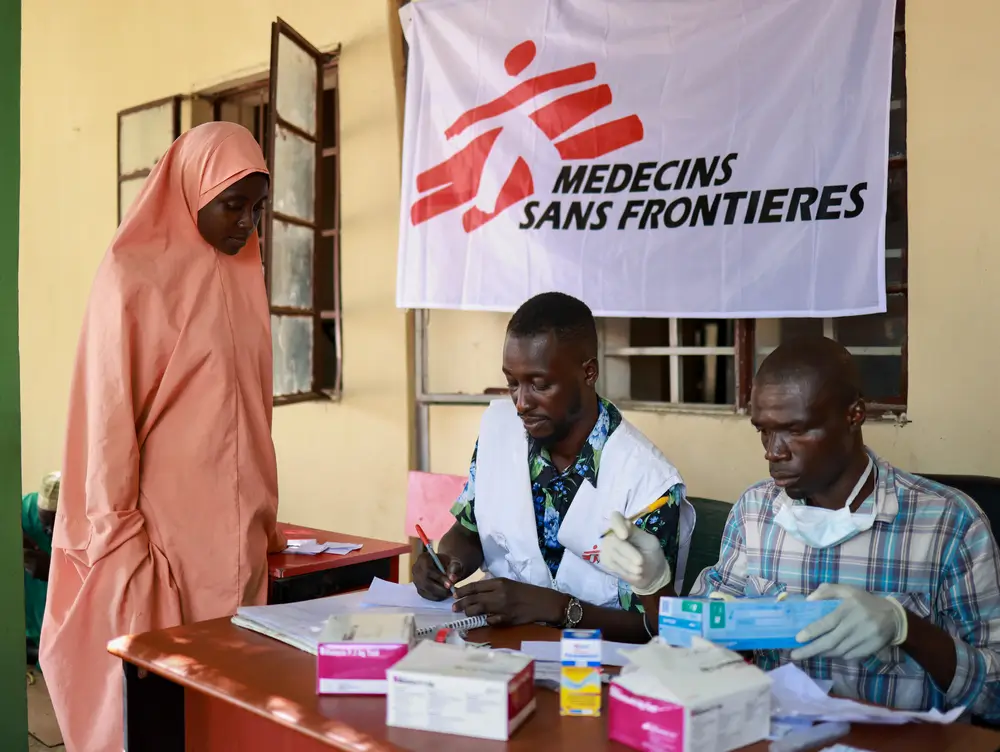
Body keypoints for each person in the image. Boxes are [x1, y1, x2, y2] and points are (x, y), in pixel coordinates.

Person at [40, 122, 287, 752]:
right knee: (157, 716)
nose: (246, 224)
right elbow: (108, 418)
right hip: (161, 547)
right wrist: (120, 537)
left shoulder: (241, 274)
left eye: (256, 209)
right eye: (233, 205)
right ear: (190, 190)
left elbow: (252, 409)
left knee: (226, 712)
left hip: (237, 539)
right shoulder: (131, 276)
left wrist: (263, 521)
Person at [606, 337, 1000, 722]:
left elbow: (995, 696)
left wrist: (906, 628)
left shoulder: (949, 524)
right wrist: (654, 585)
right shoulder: (755, 511)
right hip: (772, 735)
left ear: (854, 415)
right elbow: (695, 645)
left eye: (794, 430)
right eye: (763, 430)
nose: (773, 450)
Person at [412, 292, 695, 642]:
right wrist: (446, 563)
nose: (521, 403)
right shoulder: (499, 431)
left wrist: (557, 608)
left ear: (588, 372)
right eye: (512, 383)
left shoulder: (648, 481)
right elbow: (470, 530)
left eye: (540, 384)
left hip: (597, 661)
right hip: (495, 645)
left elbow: (653, 627)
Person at [23, 472, 60, 662]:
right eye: (45, 525)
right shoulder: (27, 508)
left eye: (56, 524)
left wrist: (53, 572)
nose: (50, 532)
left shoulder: (91, 524)